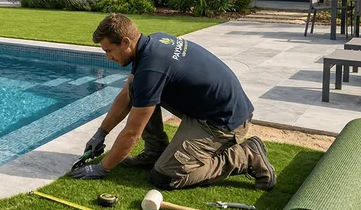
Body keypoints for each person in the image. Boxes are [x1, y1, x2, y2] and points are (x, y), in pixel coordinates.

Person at [68, 13, 275, 191]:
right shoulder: (153, 43)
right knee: (136, 89)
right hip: (210, 109)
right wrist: (101, 132)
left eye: (108, 50)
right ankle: (154, 152)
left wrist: (102, 168)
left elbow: (132, 132)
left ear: (125, 42)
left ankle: (245, 155)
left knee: (165, 176)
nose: (108, 57)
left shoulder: (151, 68)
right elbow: (128, 94)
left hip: (223, 122)